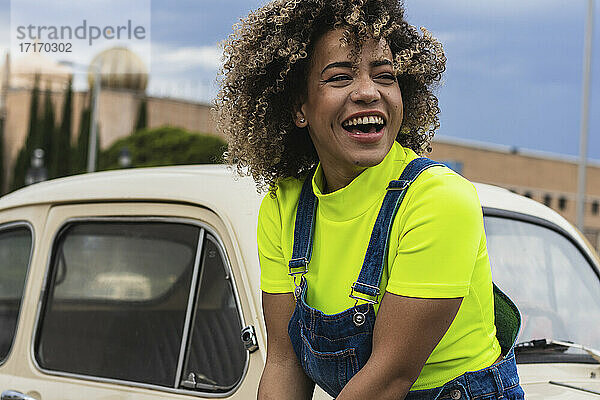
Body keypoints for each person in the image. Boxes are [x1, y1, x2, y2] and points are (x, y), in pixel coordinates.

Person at [216, 0, 524, 399]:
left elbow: (389, 378)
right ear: (298, 108)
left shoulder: (437, 200)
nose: (368, 92)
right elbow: (284, 362)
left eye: (385, 76)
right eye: (340, 77)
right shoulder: (283, 205)